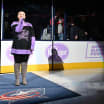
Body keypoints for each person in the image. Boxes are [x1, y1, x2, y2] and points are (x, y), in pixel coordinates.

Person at [11, 11, 35, 86]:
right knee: (17, 64)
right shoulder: (14, 24)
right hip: (17, 47)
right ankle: (17, 80)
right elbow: (18, 29)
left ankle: (24, 79)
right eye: (20, 14)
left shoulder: (29, 25)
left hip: (26, 48)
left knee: (24, 64)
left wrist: (32, 46)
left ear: (25, 16)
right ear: (17, 16)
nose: (21, 15)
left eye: (23, 14)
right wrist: (21, 21)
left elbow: (33, 36)